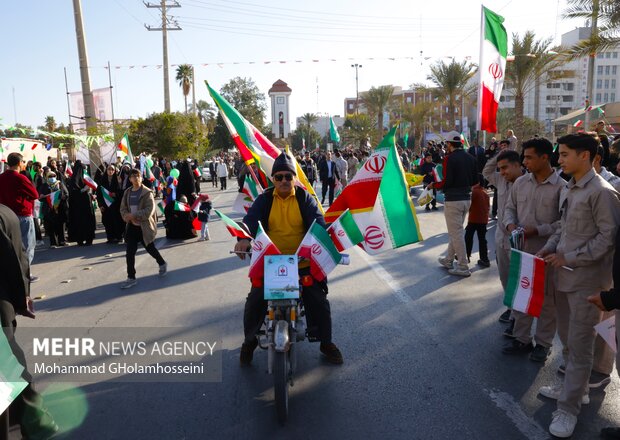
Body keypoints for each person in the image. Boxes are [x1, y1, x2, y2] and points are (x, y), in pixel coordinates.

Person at [536, 133, 620, 438]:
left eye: (565, 154)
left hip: (587, 283)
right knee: (569, 340)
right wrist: (551, 247)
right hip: (564, 277)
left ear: (585, 156)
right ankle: (575, 388)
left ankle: (568, 409)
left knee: (582, 346)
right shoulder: (569, 188)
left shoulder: (603, 192)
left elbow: (606, 240)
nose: (560, 160)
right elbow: (564, 226)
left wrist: (569, 255)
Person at [234, 152, 343, 366]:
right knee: (254, 301)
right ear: (273, 179)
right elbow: (249, 221)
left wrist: (325, 239)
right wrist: (243, 239)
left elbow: (319, 223)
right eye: (279, 177)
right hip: (271, 264)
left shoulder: (305, 199)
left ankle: (326, 343)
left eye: (288, 176)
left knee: (319, 301)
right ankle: (249, 342)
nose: (283, 181)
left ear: (295, 178)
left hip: (301, 264)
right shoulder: (264, 199)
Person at [501, 137, 564, 362]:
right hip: (521, 251)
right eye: (524, 157)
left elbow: (563, 224)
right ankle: (522, 338)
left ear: (545, 157)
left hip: (546, 253)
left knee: (547, 300)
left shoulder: (562, 187)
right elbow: (509, 208)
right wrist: (510, 225)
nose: (524, 161)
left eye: (529, 157)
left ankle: (543, 344)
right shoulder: (520, 184)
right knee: (521, 296)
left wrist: (537, 230)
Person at [0, 203, 59, 440]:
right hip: (5, 302)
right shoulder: (6, 211)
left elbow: (12, 260)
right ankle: (36, 422)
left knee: (9, 366)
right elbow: (19, 256)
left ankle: (37, 422)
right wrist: (22, 296)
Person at [483, 147, 523, 329]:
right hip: (501, 237)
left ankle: (520, 317)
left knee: (520, 279)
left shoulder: (527, 183)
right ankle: (511, 307)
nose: (502, 172)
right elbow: (486, 171)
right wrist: (498, 155)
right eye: (500, 168)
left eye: (506, 167)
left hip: (520, 239)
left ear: (518, 165)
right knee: (505, 276)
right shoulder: (500, 179)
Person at [428, 132, 478, 277]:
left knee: (456, 233)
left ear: (449, 144)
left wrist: (434, 185)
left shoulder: (449, 159)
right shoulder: (471, 158)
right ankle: (448, 260)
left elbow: (446, 182)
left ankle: (463, 266)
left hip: (453, 200)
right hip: (466, 199)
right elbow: (475, 181)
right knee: (456, 231)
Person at [119, 169, 167, 289]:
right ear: (129, 179)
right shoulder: (128, 192)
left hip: (144, 226)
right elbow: (123, 208)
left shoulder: (147, 192)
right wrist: (127, 217)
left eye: (138, 176)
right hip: (131, 227)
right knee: (130, 253)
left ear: (141, 178)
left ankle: (162, 263)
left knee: (150, 248)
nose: (135, 178)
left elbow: (149, 210)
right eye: (133, 176)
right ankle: (131, 277)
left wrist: (134, 215)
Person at [0, 153, 39, 276]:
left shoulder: (1, 177)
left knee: (10, 246)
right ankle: (25, 273)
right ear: (19, 163)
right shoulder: (21, 178)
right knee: (27, 245)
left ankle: (13, 273)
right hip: (22, 214)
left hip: (6, 216)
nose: (23, 165)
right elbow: (35, 194)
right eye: (23, 163)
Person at [66, 160, 96, 246]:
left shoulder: (80, 178)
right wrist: (82, 190)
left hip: (82, 204)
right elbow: (74, 191)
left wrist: (88, 190)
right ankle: (83, 239)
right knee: (82, 220)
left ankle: (84, 239)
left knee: (83, 220)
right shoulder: (75, 179)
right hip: (81, 204)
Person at [38, 171, 69, 248]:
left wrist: (63, 196)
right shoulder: (44, 186)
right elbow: (40, 196)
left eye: (53, 176)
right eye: (50, 176)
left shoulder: (60, 184)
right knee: (51, 226)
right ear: (47, 177)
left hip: (60, 208)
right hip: (49, 209)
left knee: (61, 225)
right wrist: (42, 196)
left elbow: (66, 193)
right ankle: (53, 243)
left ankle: (62, 241)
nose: (52, 178)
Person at [97, 165, 125, 244]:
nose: (110, 171)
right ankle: (110, 237)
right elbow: (99, 194)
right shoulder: (102, 181)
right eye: (109, 169)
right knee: (107, 221)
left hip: (116, 205)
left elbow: (121, 192)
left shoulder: (118, 180)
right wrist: (100, 205)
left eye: (112, 169)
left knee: (117, 221)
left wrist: (115, 194)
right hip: (106, 206)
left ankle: (119, 237)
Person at [464, 182, 490, 268]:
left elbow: (469, 205)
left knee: (468, 237)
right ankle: (484, 259)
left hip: (473, 219)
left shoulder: (474, 192)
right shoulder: (486, 193)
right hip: (483, 220)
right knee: (482, 240)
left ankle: (466, 256)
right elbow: (488, 207)